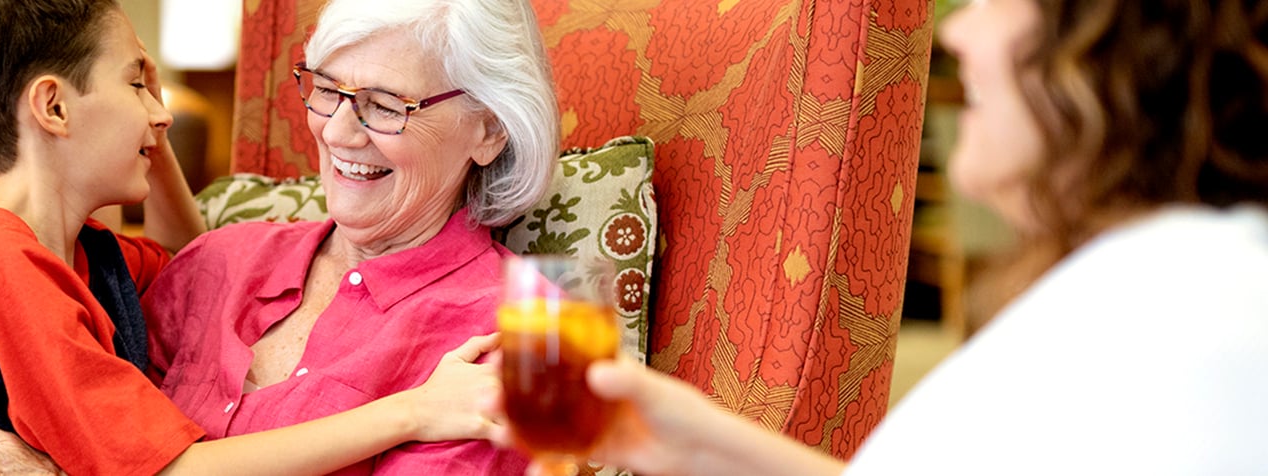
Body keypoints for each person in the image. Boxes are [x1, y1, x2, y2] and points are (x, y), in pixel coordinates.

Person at [535, 0, 1268, 474]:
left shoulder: (1195, 312)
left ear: (1113, 51)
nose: (954, 30)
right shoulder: (1155, 278)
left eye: (995, 1)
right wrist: (700, 439)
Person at [0, 0, 563, 474]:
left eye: (386, 105)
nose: (338, 132)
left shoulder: (531, 335)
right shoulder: (220, 259)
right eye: (326, 89)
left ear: (490, 128)